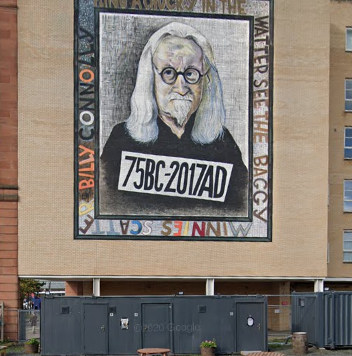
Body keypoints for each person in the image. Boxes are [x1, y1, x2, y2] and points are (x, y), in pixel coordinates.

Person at [100, 21, 249, 218]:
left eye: (191, 74)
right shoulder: (122, 140)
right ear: (150, 77)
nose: (181, 87)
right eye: (168, 73)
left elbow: (243, 210)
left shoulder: (223, 143)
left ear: (205, 80)